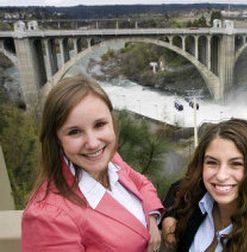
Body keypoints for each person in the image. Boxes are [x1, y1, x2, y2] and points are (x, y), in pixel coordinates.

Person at [21, 74, 164, 252]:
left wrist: (151, 219)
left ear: (112, 122)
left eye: (99, 125)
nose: (93, 143)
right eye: (74, 132)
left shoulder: (111, 160)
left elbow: (142, 183)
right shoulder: (48, 217)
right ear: (57, 139)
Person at [161, 119, 247, 252]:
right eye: (212, 162)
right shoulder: (197, 198)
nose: (221, 176)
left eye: (236, 164)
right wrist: (169, 216)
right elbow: (178, 188)